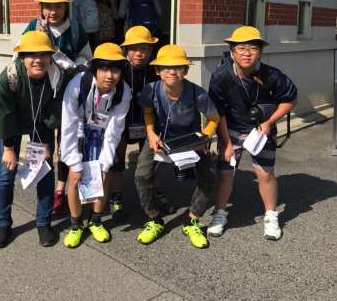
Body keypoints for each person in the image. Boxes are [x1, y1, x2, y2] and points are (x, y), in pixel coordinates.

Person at [208, 26, 297, 241]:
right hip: (232, 129)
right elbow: (218, 112)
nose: (247, 53)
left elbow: (290, 99)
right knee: (225, 173)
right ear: (232, 52)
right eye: (241, 48)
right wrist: (226, 143)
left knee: (265, 173)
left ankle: (271, 216)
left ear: (260, 52)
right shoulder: (221, 76)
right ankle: (220, 213)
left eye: (253, 48)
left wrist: (269, 122)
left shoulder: (271, 75)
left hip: (261, 130)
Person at [135, 45, 219, 248]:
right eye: (166, 67)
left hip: (190, 139)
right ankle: (154, 218)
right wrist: (150, 132)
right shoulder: (151, 90)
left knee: (209, 177)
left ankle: (192, 220)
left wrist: (204, 139)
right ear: (157, 70)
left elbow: (213, 118)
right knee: (142, 175)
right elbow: (148, 112)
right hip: (160, 137)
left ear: (186, 70)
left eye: (178, 67)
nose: (172, 72)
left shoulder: (197, 93)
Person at [23, 0, 92, 217]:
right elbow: (21, 59)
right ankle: (44, 196)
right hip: (40, 97)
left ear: (65, 7)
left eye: (58, 6)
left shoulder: (76, 30)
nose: (53, 11)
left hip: (68, 96)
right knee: (43, 145)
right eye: (48, 6)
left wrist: (74, 67)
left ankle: (60, 190)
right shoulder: (33, 27)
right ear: (41, 7)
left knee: (67, 145)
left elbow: (86, 58)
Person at [0, 31, 62, 248]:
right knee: (6, 173)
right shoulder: (9, 77)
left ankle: (43, 222)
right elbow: (4, 115)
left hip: (40, 124)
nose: (38, 60)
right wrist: (9, 148)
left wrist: (46, 143)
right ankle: (3, 223)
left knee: (45, 171)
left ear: (50, 56)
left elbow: (56, 109)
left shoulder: (57, 76)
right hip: (12, 123)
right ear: (22, 57)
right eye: (31, 54)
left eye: (43, 54)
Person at [61, 43, 132, 248]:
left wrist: (104, 163)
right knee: (75, 177)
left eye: (115, 70)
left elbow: (114, 130)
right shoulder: (77, 84)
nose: (110, 76)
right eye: (104, 69)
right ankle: (76, 224)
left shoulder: (123, 92)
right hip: (79, 132)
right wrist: (74, 160)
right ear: (95, 69)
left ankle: (96, 220)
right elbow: (68, 125)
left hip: (103, 134)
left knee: (103, 176)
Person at [106, 25, 159, 222]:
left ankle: (152, 191)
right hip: (122, 122)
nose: (139, 53)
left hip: (147, 123)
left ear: (150, 50)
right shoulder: (119, 69)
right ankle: (116, 197)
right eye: (134, 48)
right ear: (126, 50)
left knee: (152, 160)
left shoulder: (154, 70)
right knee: (117, 161)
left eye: (143, 48)